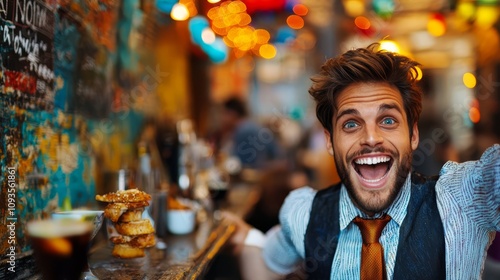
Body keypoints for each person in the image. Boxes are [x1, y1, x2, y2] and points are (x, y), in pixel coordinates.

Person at [223, 43, 500, 280]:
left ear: (413, 134)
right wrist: (243, 236)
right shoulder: (305, 214)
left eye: (388, 120)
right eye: (352, 124)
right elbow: (266, 264)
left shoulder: (464, 199)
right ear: (330, 141)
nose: (370, 138)